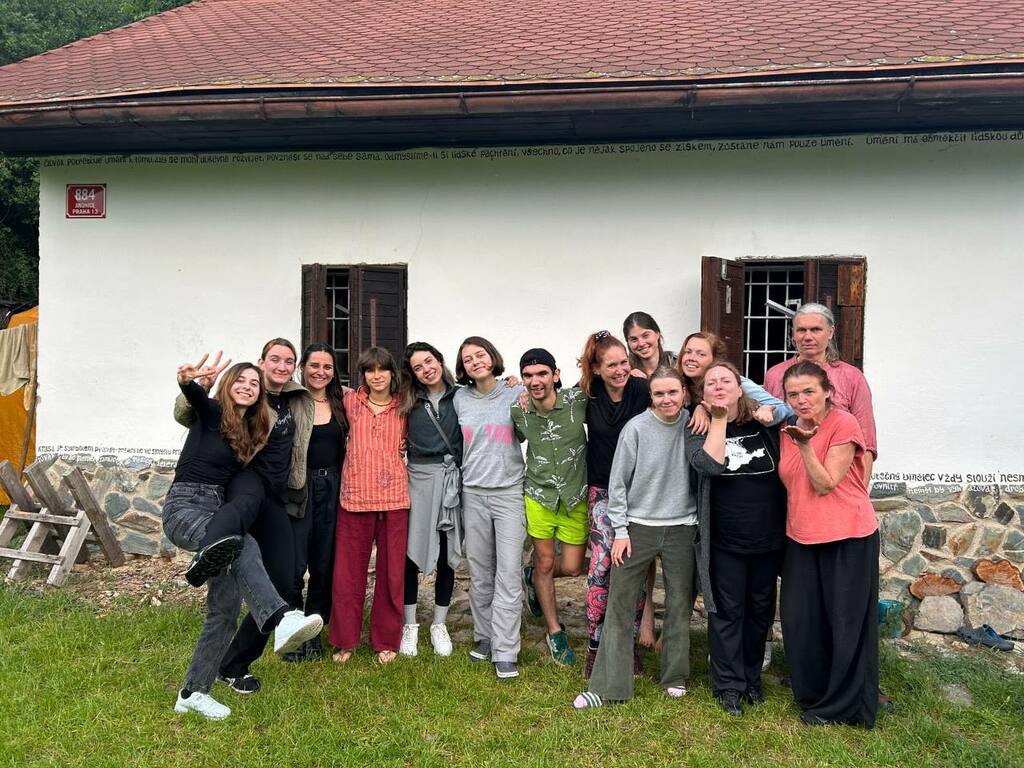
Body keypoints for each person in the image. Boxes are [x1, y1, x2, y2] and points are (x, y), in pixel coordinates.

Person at [164, 356, 323, 720]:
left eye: (254, 383)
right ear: (228, 383)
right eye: (241, 380)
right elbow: (194, 398)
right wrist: (189, 382)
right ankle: (281, 618)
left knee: (224, 612)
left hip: (218, 513)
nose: (248, 387)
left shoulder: (248, 432)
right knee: (244, 544)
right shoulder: (212, 413)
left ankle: (193, 692)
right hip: (186, 507)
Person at [573, 366, 702, 708]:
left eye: (672, 392)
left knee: (679, 604)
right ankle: (608, 686)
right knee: (620, 604)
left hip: (682, 527)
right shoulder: (636, 428)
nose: (667, 399)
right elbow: (617, 484)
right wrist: (620, 531)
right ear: (651, 396)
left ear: (684, 393)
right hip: (638, 527)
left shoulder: (694, 424)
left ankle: (674, 676)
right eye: (659, 393)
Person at [778, 361, 879, 727]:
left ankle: (843, 706)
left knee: (845, 624)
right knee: (802, 620)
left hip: (847, 535)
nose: (801, 400)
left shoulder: (843, 424)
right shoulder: (788, 428)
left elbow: (824, 483)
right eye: (793, 394)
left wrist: (805, 445)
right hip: (801, 536)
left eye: (809, 391)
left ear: (827, 392)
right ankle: (814, 693)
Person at [685, 361, 786, 716]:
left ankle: (751, 679)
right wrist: (717, 419)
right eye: (711, 382)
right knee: (727, 612)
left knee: (760, 612)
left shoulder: (764, 423)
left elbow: (791, 413)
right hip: (724, 540)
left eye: (726, 381)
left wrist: (770, 412)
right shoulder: (698, 426)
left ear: (739, 388)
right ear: (702, 392)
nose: (718, 386)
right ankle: (728, 686)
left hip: (768, 539)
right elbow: (708, 466)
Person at [578, 330, 651, 678]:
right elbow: (549, 401)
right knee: (601, 567)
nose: (620, 370)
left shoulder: (642, 389)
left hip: (640, 492)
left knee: (631, 569)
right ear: (596, 368)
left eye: (624, 363)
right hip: (603, 492)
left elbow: (675, 401)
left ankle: (627, 645)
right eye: (612, 365)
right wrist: (518, 389)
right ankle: (595, 646)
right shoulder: (587, 394)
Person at [330, 346, 409, 665]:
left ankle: (386, 640)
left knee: (392, 575)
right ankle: (345, 640)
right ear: (363, 375)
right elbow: (317, 393)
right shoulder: (350, 402)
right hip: (355, 498)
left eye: (382, 369)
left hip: (394, 501)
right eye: (369, 370)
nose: (377, 376)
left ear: (392, 373)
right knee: (347, 575)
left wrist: (510, 383)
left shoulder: (405, 405)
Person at [454, 336, 527, 680]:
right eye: (468, 359)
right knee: (481, 573)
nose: (475, 362)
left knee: (508, 574)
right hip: (473, 493)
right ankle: (485, 636)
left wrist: (520, 384)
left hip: (509, 493)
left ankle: (506, 650)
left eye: (480, 355)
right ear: (463, 367)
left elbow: (538, 412)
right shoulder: (459, 398)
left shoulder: (515, 392)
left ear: (492, 356)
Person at [511, 347, 587, 666]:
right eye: (528, 375)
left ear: (555, 375)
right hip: (539, 495)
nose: (535, 381)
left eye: (542, 373)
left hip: (574, 495)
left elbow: (605, 381)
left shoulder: (578, 401)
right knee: (544, 561)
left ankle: (531, 576)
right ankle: (555, 631)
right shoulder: (518, 409)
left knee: (572, 567)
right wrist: (510, 385)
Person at [282, 343, 348, 662]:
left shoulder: (343, 402)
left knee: (324, 565)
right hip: (299, 487)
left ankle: (315, 631)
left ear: (333, 372)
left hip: (333, 488)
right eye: (314, 365)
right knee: (294, 566)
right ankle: (293, 631)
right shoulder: (290, 399)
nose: (320, 372)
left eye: (327, 367)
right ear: (303, 368)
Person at [398, 342, 463, 658]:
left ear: (439, 359)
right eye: (418, 367)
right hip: (419, 479)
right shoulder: (406, 400)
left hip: (452, 480)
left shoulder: (461, 395)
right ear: (412, 374)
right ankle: (410, 624)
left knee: (447, 552)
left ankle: (439, 623)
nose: (426, 369)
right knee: (411, 553)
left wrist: (512, 384)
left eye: (429, 361)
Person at [763, 303, 876, 478]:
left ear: (830, 332)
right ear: (793, 333)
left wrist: (861, 487)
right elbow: (769, 430)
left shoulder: (851, 377)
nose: (807, 337)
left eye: (816, 330)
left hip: (839, 476)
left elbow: (866, 441)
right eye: (801, 330)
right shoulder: (775, 375)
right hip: (789, 475)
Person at [622, 311, 676, 378]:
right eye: (634, 339)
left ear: (657, 333)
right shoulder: (624, 372)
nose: (641, 343)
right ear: (628, 342)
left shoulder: (676, 364)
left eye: (646, 335)